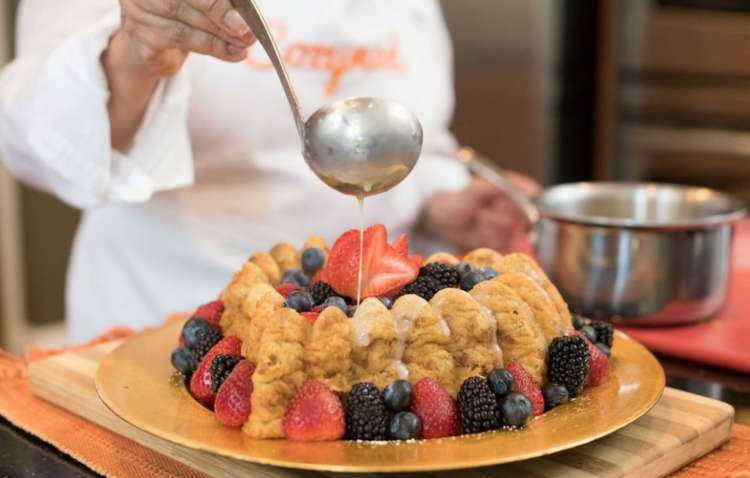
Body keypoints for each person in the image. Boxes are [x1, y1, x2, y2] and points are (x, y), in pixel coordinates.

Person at [0, 0, 538, 343]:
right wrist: (136, 53)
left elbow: (415, 129)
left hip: (375, 334)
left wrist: (442, 200)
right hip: (164, 321)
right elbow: (31, 139)